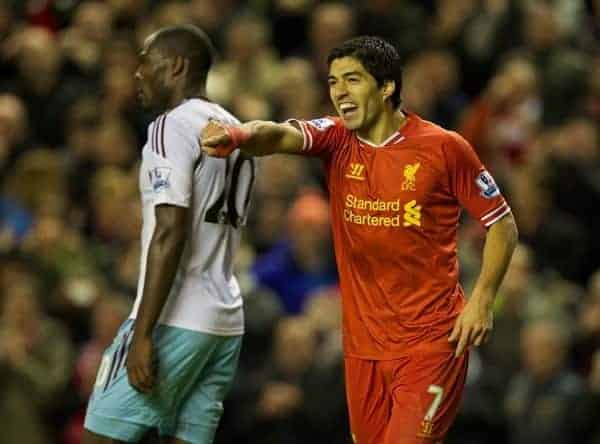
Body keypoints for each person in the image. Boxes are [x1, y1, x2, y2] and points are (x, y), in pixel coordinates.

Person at [201, 36, 518, 444]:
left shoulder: (444, 148)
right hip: (363, 346)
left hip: (431, 342)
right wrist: (239, 135)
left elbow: (502, 224)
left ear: (387, 86)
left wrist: (482, 300)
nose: (339, 93)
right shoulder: (335, 139)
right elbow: (278, 135)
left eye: (352, 80)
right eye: (333, 82)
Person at [83, 24, 256, 444]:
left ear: (176, 66)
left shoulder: (171, 126)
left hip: (175, 317)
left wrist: (143, 333)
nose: (138, 75)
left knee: (100, 435)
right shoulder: (236, 129)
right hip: (224, 322)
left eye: (146, 63)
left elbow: (170, 231)